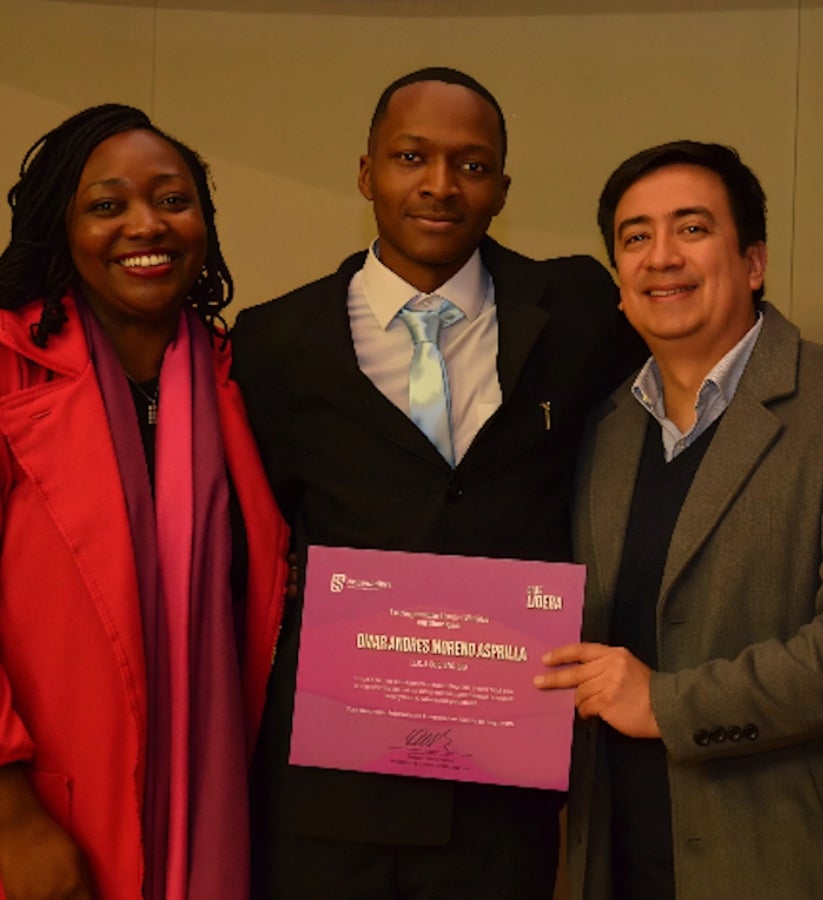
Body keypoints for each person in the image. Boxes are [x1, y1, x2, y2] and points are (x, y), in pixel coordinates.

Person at [230, 67, 641, 899]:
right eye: (411, 156)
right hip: (328, 785)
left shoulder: (579, 311)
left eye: (472, 165)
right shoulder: (273, 342)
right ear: (365, 171)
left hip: (501, 783)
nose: (439, 186)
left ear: (501, 188)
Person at [535, 140, 823, 899]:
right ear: (619, 281)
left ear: (753, 262)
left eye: (691, 229)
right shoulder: (604, 429)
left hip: (790, 862)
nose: (661, 257)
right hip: (620, 863)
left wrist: (665, 703)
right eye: (635, 237)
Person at [0, 104, 288, 900]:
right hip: (43, 813)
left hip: (213, 803)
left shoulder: (244, 379)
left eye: (172, 198)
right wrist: (9, 820)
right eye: (107, 204)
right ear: (60, 226)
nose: (145, 224)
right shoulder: (6, 369)